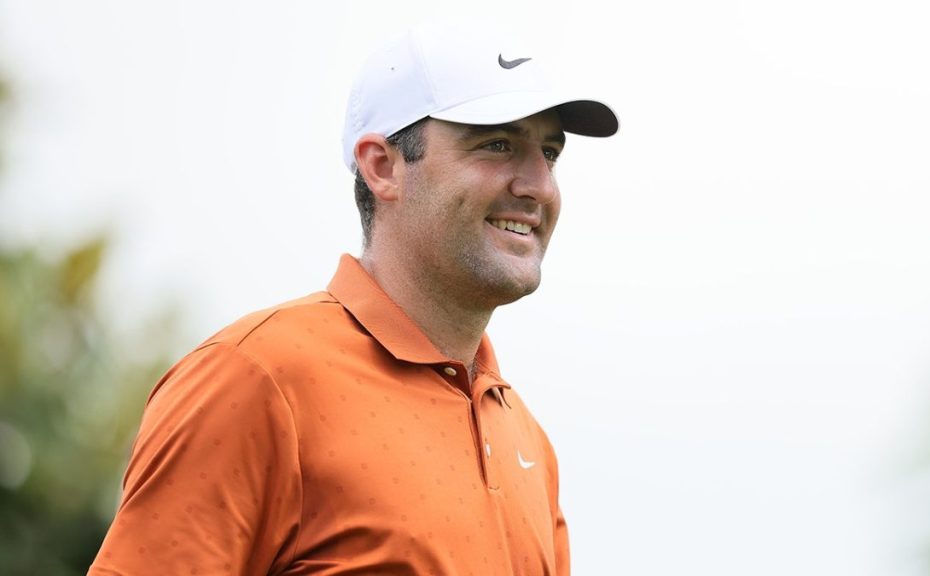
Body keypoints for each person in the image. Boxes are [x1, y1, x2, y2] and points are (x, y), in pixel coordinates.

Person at [89, 19, 617, 576]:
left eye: (549, 154)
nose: (540, 186)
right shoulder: (254, 379)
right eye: (497, 144)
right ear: (383, 166)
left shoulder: (528, 442)